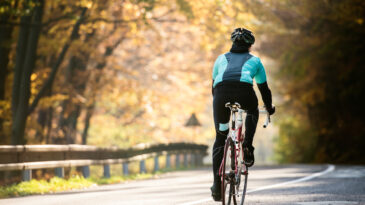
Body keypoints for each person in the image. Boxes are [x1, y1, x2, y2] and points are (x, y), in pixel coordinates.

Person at [210, 28, 275, 201]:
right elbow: (264, 89)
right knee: (252, 111)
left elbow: (213, 87)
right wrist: (269, 107)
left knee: (220, 137)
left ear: (232, 43)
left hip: (221, 94)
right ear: (250, 46)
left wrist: (220, 106)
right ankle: (247, 145)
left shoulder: (220, 59)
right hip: (244, 92)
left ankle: (217, 186)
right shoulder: (255, 61)